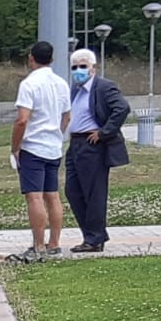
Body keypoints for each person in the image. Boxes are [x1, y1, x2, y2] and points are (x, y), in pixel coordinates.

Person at [8, 40, 72, 263]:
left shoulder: (29, 84)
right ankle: (54, 243)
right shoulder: (62, 83)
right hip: (53, 146)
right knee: (52, 195)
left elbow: (22, 119)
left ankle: (38, 245)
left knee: (34, 196)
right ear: (52, 59)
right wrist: (56, 134)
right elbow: (67, 116)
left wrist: (15, 147)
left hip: (33, 146)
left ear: (31, 58)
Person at [65, 47, 131, 254]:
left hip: (92, 144)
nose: (78, 70)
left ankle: (93, 239)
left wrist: (104, 132)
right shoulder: (75, 90)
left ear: (92, 68)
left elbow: (122, 108)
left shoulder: (104, 87)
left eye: (83, 66)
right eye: (74, 67)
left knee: (93, 192)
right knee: (72, 190)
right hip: (75, 143)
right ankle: (94, 235)